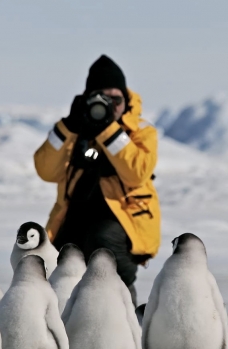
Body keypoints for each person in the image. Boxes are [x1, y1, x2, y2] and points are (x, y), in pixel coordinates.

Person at [34, 55, 161, 305]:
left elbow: (137, 172)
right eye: (103, 98)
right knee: (64, 259)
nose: (111, 105)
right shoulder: (74, 130)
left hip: (124, 221)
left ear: (126, 99)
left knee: (103, 239)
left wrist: (108, 130)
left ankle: (124, 305)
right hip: (76, 217)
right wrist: (68, 126)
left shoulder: (140, 132)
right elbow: (45, 170)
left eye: (117, 99)